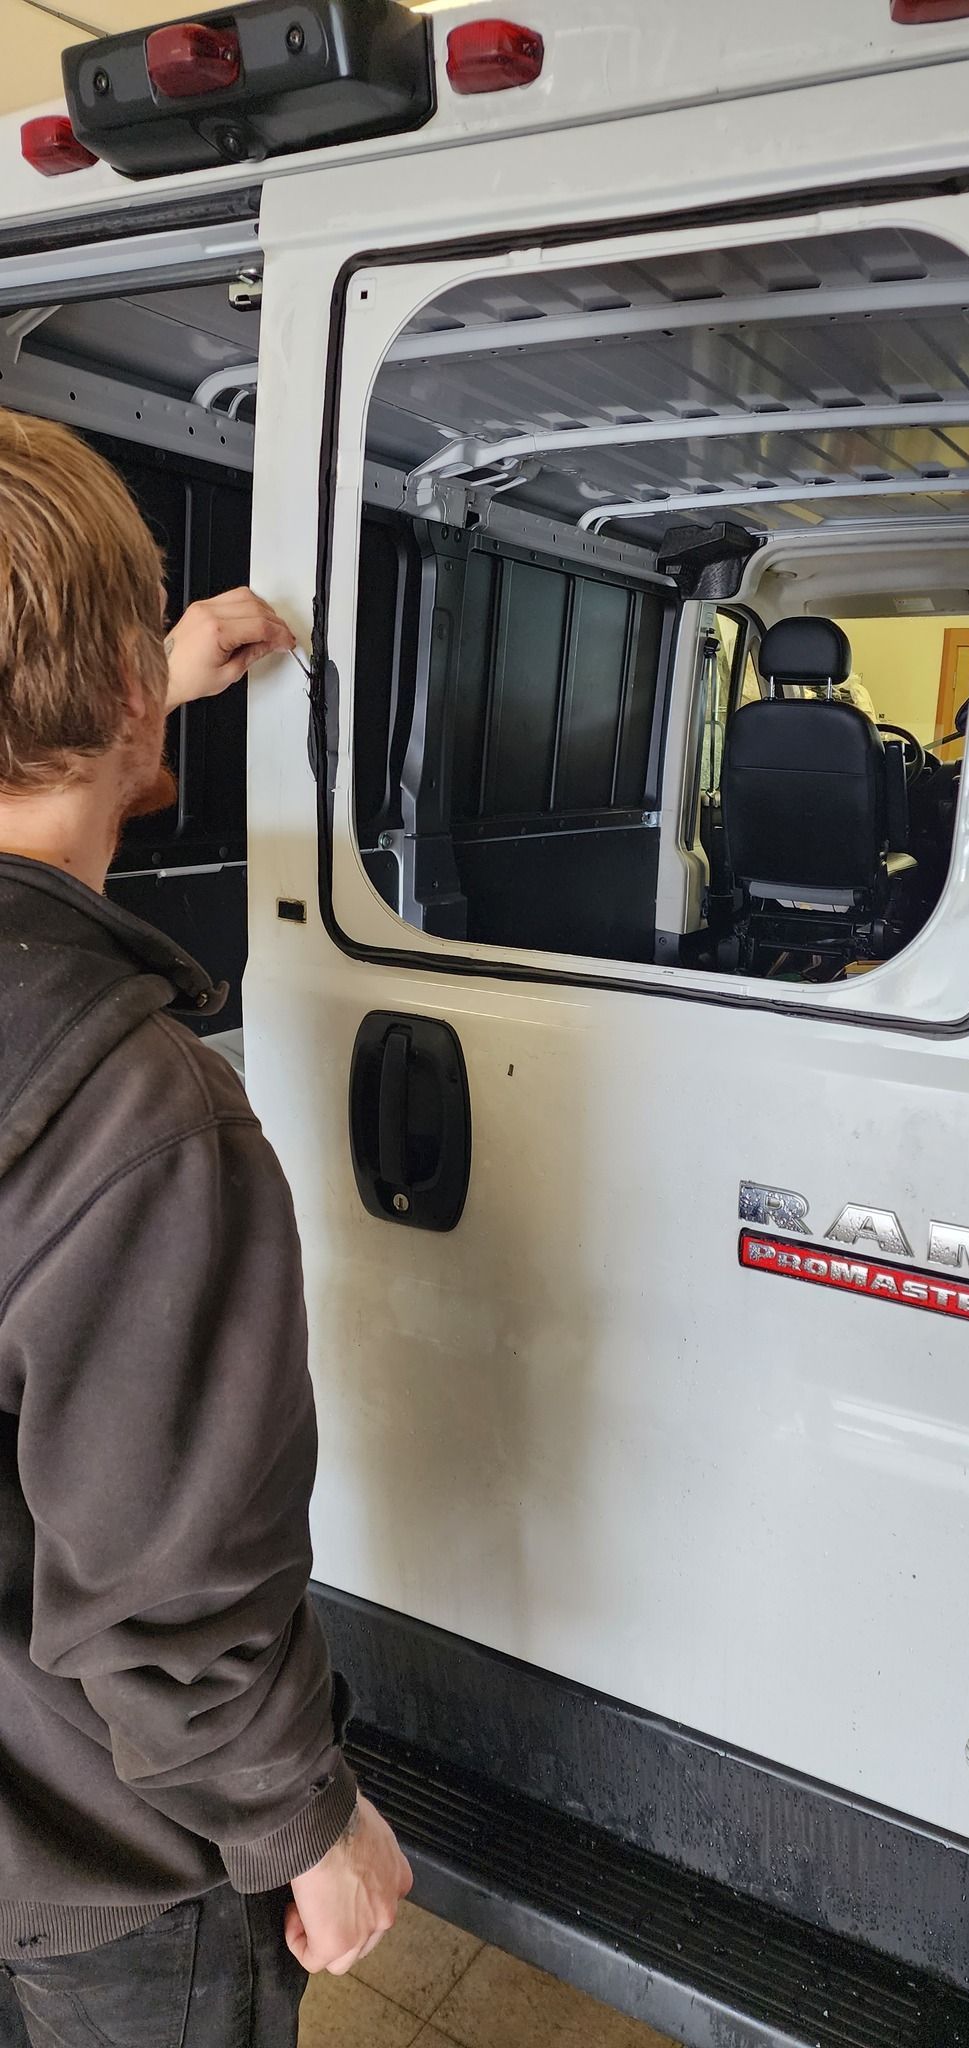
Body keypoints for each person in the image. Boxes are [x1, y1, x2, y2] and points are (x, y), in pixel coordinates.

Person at [0, 407, 412, 2047]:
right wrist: (303, 1826)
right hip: (83, 1873)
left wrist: (129, 680)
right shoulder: (135, 1113)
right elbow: (166, 1593)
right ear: (121, 701)